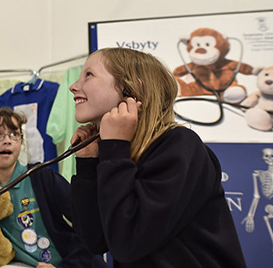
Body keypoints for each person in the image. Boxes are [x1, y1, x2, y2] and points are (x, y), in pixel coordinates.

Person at [69, 47, 247, 267]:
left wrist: (115, 147)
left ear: (131, 88)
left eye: (89, 75)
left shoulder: (180, 146)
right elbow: (96, 241)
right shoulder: (119, 154)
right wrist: (88, 164)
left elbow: (128, 241)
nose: (73, 86)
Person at [0, 107, 107, 268]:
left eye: (14, 134)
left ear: (20, 142)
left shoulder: (42, 177)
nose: (7, 140)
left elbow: (89, 227)